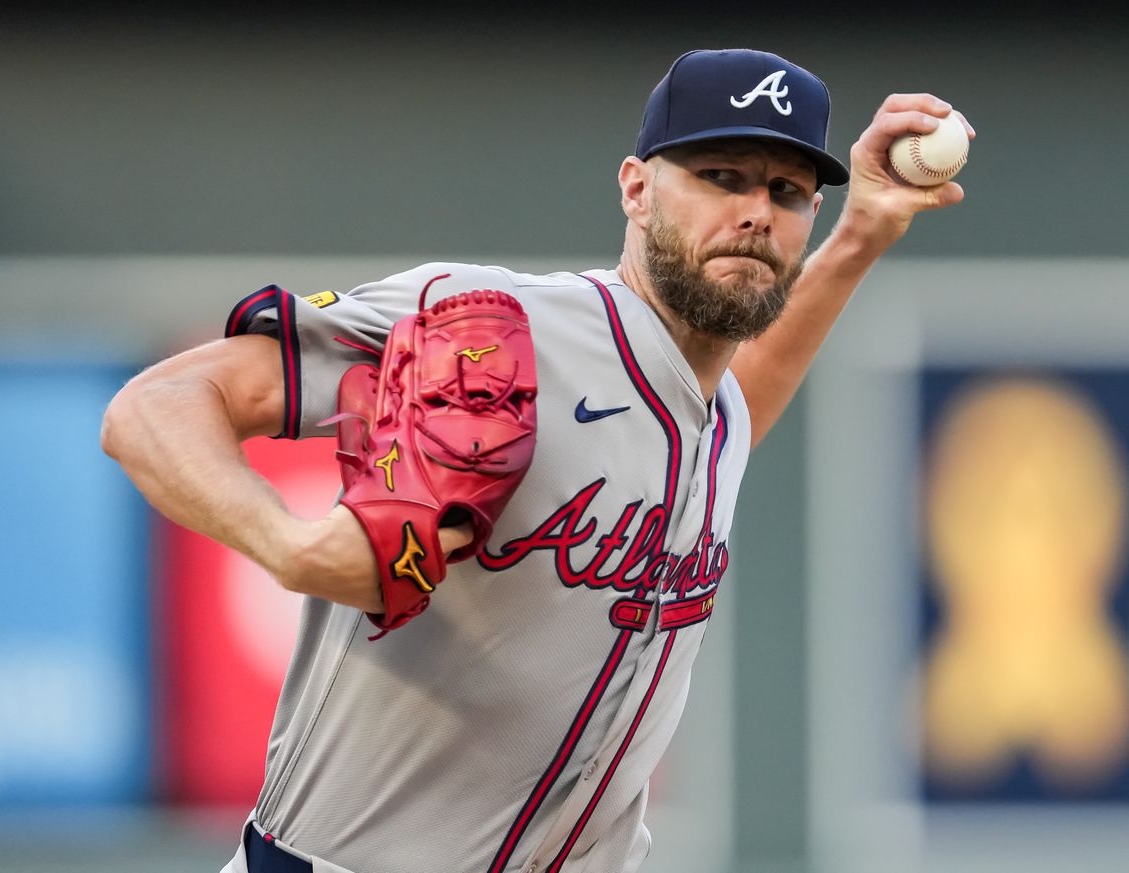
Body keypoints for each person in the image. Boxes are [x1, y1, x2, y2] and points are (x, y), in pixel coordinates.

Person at [102, 48, 972, 873]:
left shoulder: (713, 413)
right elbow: (154, 407)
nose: (754, 211)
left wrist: (860, 234)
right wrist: (290, 546)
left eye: (786, 190)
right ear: (636, 189)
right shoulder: (493, 324)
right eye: (720, 177)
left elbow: (740, 391)